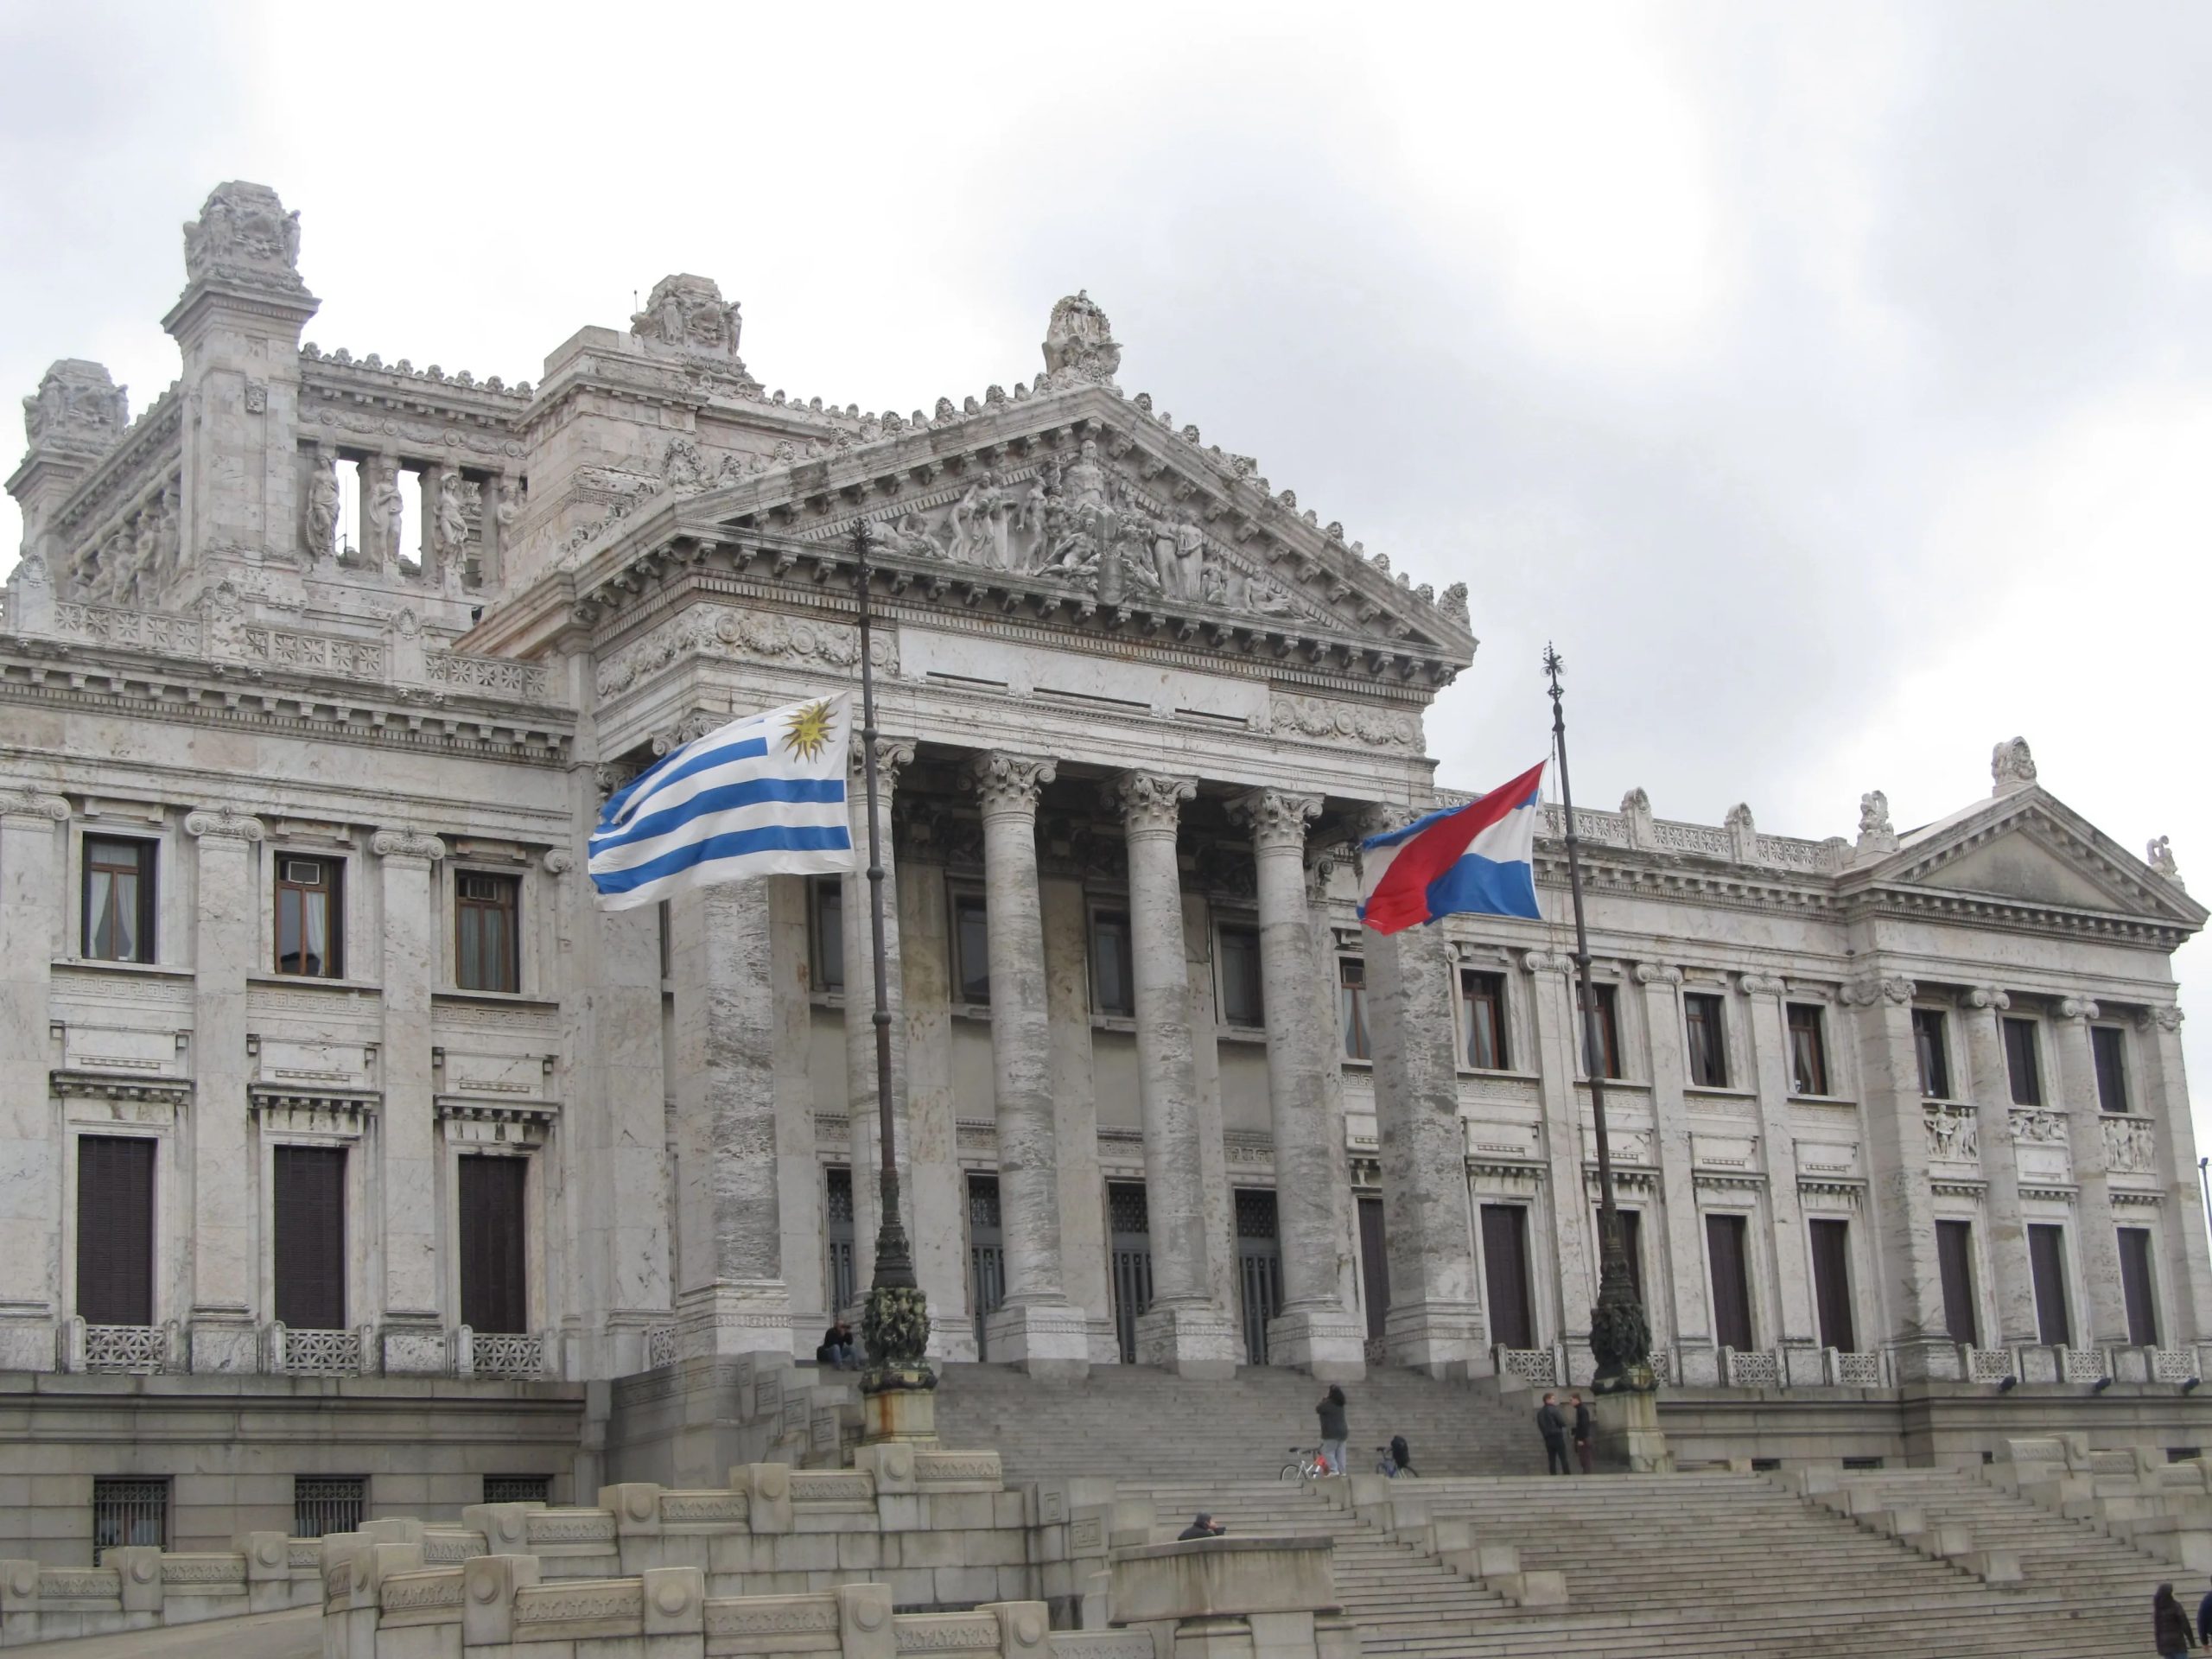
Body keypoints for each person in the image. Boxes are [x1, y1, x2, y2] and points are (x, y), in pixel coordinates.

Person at [1315, 1384, 1349, 1476]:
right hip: (1343, 1433)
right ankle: (1342, 1472)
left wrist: (1324, 1400)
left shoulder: (1329, 1403)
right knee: (1341, 1454)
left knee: (1327, 1451)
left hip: (1331, 1433)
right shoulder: (1340, 1404)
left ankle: (1334, 1469)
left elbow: (1318, 1409)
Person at [1536, 1392, 1572, 1476]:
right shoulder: (1553, 1409)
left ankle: (1553, 1474)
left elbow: (1541, 1425)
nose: (1554, 1400)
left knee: (1551, 1458)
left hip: (1547, 1437)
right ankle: (1567, 1473)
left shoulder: (1540, 1413)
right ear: (1547, 1400)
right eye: (1553, 1398)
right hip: (1557, 1435)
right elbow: (1561, 1421)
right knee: (1563, 1457)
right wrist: (1562, 1425)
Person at [2157, 1583, 2196, 1656]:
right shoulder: (2176, 1606)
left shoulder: (2158, 1608)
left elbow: (2157, 1630)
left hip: (2166, 1646)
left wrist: (2159, 1647)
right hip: (2178, 1644)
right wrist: (2192, 1642)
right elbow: (2185, 1624)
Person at [1571, 1393, 1595, 1475]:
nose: (1571, 1402)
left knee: (1585, 1458)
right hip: (1584, 1436)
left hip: (1584, 1438)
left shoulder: (1581, 1409)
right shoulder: (1580, 1409)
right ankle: (1586, 1473)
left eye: (1571, 1400)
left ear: (1576, 1399)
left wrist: (1580, 1438)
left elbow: (1584, 1424)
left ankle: (1587, 1474)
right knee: (1584, 1458)